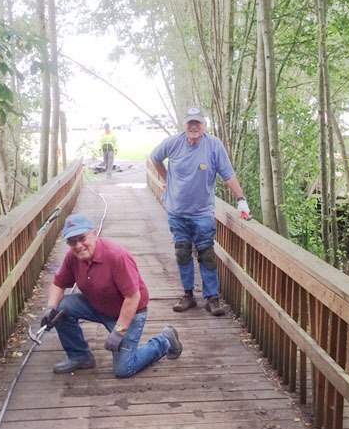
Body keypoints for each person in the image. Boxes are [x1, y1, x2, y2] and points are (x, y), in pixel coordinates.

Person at [41, 213, 182, 376]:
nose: (78, 245)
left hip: (130, 311)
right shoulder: (73, 257)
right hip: (98, 305)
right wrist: (50, 308)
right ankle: (80, 356)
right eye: (72, 242)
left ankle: (164, 341)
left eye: (82, 238)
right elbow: (58, 283)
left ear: (94, 234)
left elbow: (133, 297)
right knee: (61, 307)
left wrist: (118, 331)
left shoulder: (116, 256)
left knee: (124, 369)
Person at [150, 106, 251, 316]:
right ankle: (188, 295)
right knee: (182, 253)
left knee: (207, 255)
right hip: (177, 212)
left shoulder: (213, 146)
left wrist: (241, 200)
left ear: (204, 125)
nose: (194, 127)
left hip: (202, 213)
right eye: (190, 123)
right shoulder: (174, 143)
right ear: (185, 125)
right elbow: (155, 157)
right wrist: (167, 178)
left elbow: (228, 175)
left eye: (198, 123)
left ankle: (212, 298)